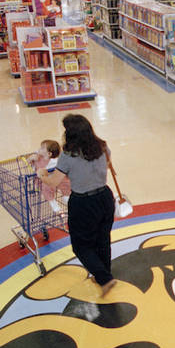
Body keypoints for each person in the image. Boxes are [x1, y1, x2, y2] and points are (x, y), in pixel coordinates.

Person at [34, 114, 117, 295]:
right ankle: (104, 273)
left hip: (83, 203)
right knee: (102, 239)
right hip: (104, 197)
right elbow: (108, 163)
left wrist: (42, 174)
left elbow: (54, 182)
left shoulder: (68, 156)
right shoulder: (102, 146)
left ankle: (105, 279)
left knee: (81, 246)